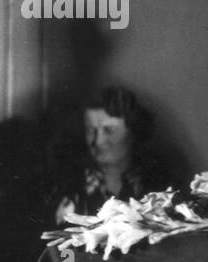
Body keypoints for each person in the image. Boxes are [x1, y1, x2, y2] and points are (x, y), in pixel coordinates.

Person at [51, 86, 175, 222]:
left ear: (133, 131)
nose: (98, 141)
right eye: (90, 130)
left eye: (109, 130)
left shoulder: (159, 185)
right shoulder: (68, 189)